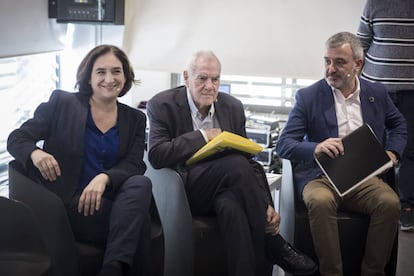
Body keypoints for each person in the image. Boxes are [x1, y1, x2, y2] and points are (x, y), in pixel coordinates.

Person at [146, 50, 317, 276]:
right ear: (186, 78)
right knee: (235, 163)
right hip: (184, 189)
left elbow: (250, 164)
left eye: (215, 79)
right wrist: (203, 136)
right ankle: (274, 244)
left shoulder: (232, 107)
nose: (210, 86)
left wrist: (267, 205)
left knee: (231, 207)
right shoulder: (162, 104)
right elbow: (157, 155)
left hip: (227, 186)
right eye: (202, 78)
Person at [7, 45, 152, 276]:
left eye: (116, 71)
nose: (109, 79)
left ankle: (112, 269)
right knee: (140, 221)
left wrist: (104, 179)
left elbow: (135, 164)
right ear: (89, 77)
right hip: (72, 204)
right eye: (101, 72)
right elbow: (17, 138)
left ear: (125, 76)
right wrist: (36, 153)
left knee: (141, 184)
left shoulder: (135, 118)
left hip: (115, 200)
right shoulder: (62, 104)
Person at [276, 32, 407, 276]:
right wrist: (315, 147)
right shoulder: (308, 97)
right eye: (327, 61)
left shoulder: (376, 94)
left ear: (358, 64)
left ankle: (373, 271)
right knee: (320, 201)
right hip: (320, 178)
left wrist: (392, 153)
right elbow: (284, 144)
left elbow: (398, 125)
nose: (330, 69)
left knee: (389, 203)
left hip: (364, 179)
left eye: (339, 62)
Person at [356, 0, 414, 232]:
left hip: (411, 92)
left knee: (409, 150)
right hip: (375, 89)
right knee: (373, 146)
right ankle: (375, 200)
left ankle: (407, 208)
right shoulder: (374, 4)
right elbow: (361, 44)